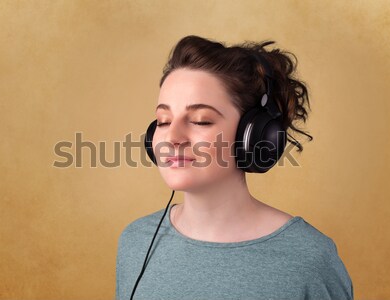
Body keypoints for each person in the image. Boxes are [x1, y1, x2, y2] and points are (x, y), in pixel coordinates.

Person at [115, 35, 353, 300]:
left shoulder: (309, 259)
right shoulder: (135, 241)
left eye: (201, 121)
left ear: (253, 138)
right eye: (163, 120)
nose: (172, 138)